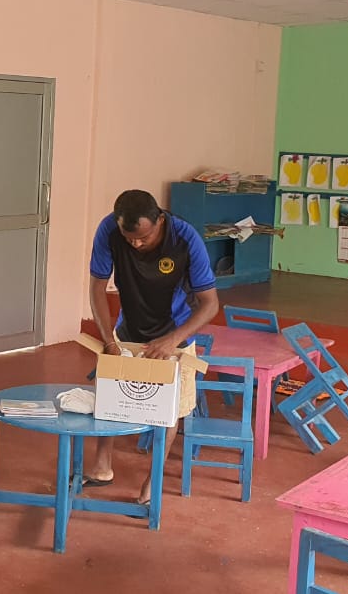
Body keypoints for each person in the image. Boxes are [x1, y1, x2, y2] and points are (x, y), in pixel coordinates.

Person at [84, 189, 219, 504]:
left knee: (167, 412)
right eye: (129, 238)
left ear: (160, 219)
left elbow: (210, 304)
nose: (136, 244)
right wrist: (108, 340)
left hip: (175, 334)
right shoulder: (108, 231)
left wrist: (172, 340)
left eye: (143, 237)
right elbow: (96, 287)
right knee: (110, 398)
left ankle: (151, 481)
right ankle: (103, 468)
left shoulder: (185, 239)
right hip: (128, 329)